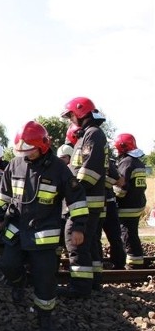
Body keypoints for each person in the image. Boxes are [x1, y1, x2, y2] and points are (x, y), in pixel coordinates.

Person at [0, 121, 88, 331]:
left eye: (29, 150)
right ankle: (18, 285)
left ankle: (45, 317)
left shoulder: (58, 169)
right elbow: (3, 194)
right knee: (8, 265)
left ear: (43, 146)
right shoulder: (15, 164)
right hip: (16, 230)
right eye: (21, 151)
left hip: (44, 236)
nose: (25, 155)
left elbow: (76, 199)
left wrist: (79, 226)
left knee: (44, 280)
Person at [59, 97, 108, 298]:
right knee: (88, 245)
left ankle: (79, 289)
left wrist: (71, 191)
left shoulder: (94, 134)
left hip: (84, 202)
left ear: (80, 112)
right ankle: (93, 283)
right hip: (85, 201)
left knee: (76, 244)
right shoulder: (86, 135)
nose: (70, 120)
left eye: (71, 116)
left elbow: (89, 171)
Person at [113, 133, 148, 269]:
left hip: (127, 206)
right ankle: (136, 261)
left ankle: (134, 264)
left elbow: (121, 189)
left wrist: (110, 196)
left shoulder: (126, 162)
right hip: (137, 203)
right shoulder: (138, 162)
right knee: (132, 233)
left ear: (122, 148)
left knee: (127, 234)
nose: (116, 152)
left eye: (117, 149)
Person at [101, 158, 126, 269]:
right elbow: (118, 181)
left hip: (106, 204)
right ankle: (117, 263)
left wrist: (101, 180)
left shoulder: (106, 161)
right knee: (112, 236)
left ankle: (118, 264)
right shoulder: (105, 160)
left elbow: (120, 181)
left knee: (113, 236)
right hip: (104, 203)